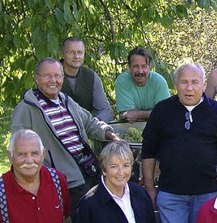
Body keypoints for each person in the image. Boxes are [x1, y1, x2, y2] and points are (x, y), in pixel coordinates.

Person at [141, 63, 217, 223]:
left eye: (195, 82)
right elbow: (148, 151)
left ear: (204, 84)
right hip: (171, 193)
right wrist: (150, 188)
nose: (189, 88)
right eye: (184, 82)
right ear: (175, 84)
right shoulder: (162, 111)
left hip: (208, 194)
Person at [11, 57, 119, 210]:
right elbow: (19, 152)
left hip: (90, 170)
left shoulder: (66, 101)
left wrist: (111, 135)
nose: (53, 80)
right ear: (36, 77)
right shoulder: (26, 109)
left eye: (57, 75)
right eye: (47, 75)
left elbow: (90, 123)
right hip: (65, 181)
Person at [60, 37, 114, 122]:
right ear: (62, 54)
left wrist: (95, 124)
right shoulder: (52, 75)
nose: (76, 56)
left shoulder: (91, 77)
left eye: (80, 52)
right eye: (71, 52)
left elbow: (106, 111)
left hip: (86, 129)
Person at [115, 47, 171, 122]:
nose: (140, 71)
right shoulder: (122, 81)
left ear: (150, 67)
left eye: (144, 66)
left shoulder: (159, 81)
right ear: (129, 67)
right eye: (135, 66)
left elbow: (165, 114)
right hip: (130, 129)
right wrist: (153, 114)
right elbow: (128, 116)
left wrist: (138, 114)